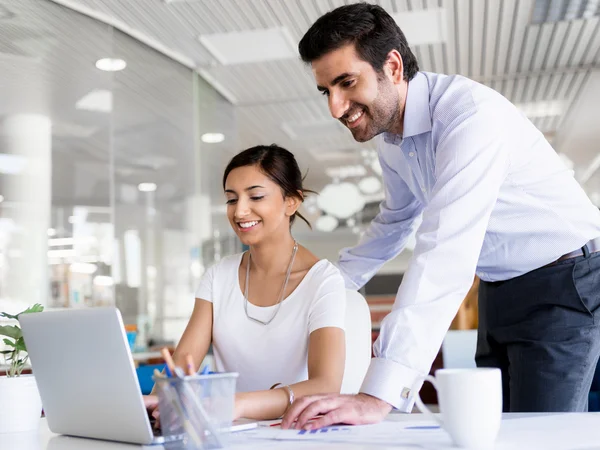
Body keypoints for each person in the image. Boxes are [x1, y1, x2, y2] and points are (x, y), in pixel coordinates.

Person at [282, 2, 600, 430]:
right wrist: (326, 286)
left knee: (539, 433)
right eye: (326, 90)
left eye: (346, 82)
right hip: (499, 289)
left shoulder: (470, 117)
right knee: (492, 429)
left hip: (565, 282)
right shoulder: (392, 139)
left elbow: (445, 249)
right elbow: (396, 221)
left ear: (392, 66)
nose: (335, 108)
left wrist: (378, 394)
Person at [145, 144, 346, 421]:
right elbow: (182, 365)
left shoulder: (323, 281)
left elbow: (326, 386)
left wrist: (234, 405)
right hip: (224, 432)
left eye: (256, 196)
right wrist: (156, 401)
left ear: (292, 201)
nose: (239, 212)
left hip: (290, 433)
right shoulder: (218, 276)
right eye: (231, 199)